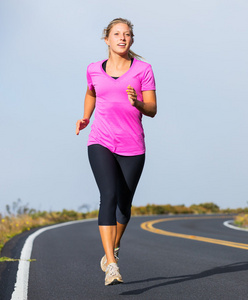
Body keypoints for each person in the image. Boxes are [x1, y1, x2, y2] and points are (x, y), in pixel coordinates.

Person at [75, 18, 157, 286]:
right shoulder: (93, 69)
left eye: (127, 34)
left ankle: (114, 246)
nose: (122, 38)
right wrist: (86, 117)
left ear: (131, 40)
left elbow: (153, 109)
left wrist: (138, 103)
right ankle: (111, 264)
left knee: (124, 205)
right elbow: (91, 92)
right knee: (108, 196)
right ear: (107, 39)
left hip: (132, 145)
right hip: (101, 140)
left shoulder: (143, 70)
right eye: (117, 34)